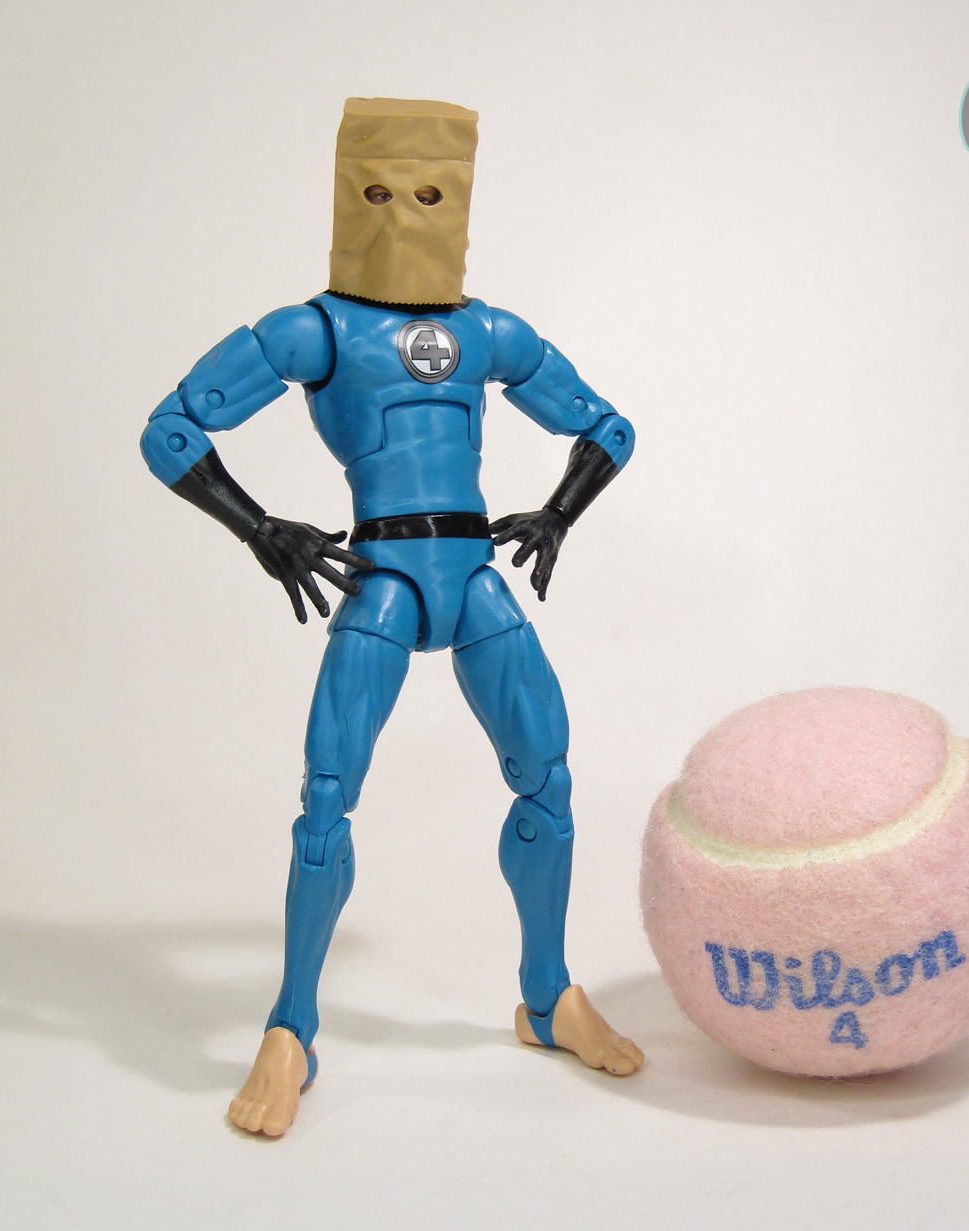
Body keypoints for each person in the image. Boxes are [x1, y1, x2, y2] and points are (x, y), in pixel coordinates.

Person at [140, 98, 643, 1136]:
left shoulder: (487, 330)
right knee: (326, 802)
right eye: (379, 191)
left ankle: (547, 997)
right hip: (380, 578)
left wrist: (558, 511)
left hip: (473, 572)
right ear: (347, 195)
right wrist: (259, 528)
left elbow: (608, 426)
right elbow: (170, 428)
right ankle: (291, 1028)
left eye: (428, 193)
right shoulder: (315, 329)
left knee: (547, 780)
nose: (406, 212)